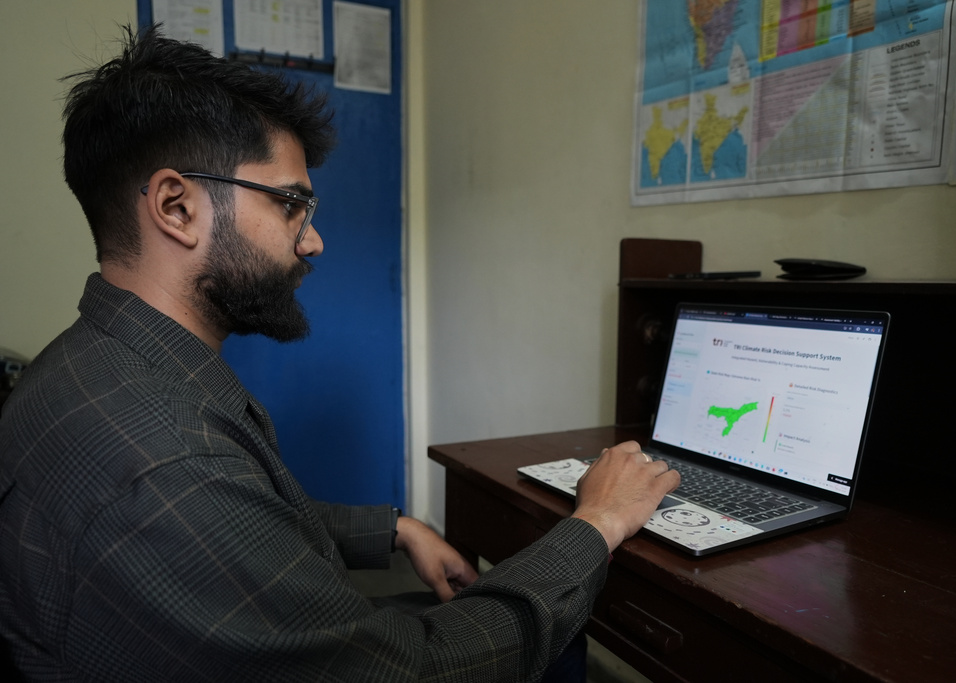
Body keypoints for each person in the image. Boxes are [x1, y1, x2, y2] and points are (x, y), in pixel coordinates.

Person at [0, 26, 680, 682]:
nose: (313, 241)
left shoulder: (78, 368)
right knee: (554, 641)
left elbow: (243, 516)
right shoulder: (170, 460)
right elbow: (417, 671)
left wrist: (390, 528)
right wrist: (598, 521)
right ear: (177, 207)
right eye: (292, 203)